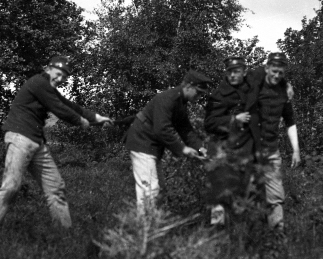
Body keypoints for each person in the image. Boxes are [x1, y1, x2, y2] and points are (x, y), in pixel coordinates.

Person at [0, 56, 111, 228]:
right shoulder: (38, 82)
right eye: (58, 74)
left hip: (36, 142)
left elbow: (69, 104)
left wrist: (96, 117)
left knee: (56, 187)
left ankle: (64, 234)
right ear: (48, 69)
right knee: (11, 186)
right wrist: (80, 121)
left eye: (63, 78)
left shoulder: (48, 88)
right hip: (20, 138)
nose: (59, 79)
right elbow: (59, 108)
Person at [125, 70, 212, 216]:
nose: (199, 96)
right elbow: (161, 129)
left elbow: (186, 129)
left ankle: (151, 228)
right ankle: (144, 232)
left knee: (158, 190)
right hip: (142, 142)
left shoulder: (180, 101)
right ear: (188, 86)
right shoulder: (168, 98)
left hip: (151, 147)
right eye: (198, 92)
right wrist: (183, 149)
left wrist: (200, 148)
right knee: (150, 190)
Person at [249, 52, 300, 231]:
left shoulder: (284, 93)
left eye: (281, 73)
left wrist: (296, 151)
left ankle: (277, 237)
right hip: (250, 150)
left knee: (276, 196)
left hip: (271, 150)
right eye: (274, 71)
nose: (277, 75)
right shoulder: (255, 86)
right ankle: (244, 237)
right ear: (267, 68)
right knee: (247, 193)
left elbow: (290, 122)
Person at [204, 56, 256, 225]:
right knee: (220, 192)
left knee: (244, 192)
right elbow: (209, 123)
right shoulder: (219, 94)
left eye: (237, 71)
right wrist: (234, 119)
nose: (233, 75)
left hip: (245, 150)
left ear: (244, 72)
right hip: (222, 149)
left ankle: (239, 233)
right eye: (230, 72)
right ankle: (217, 232)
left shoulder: (251, 90)